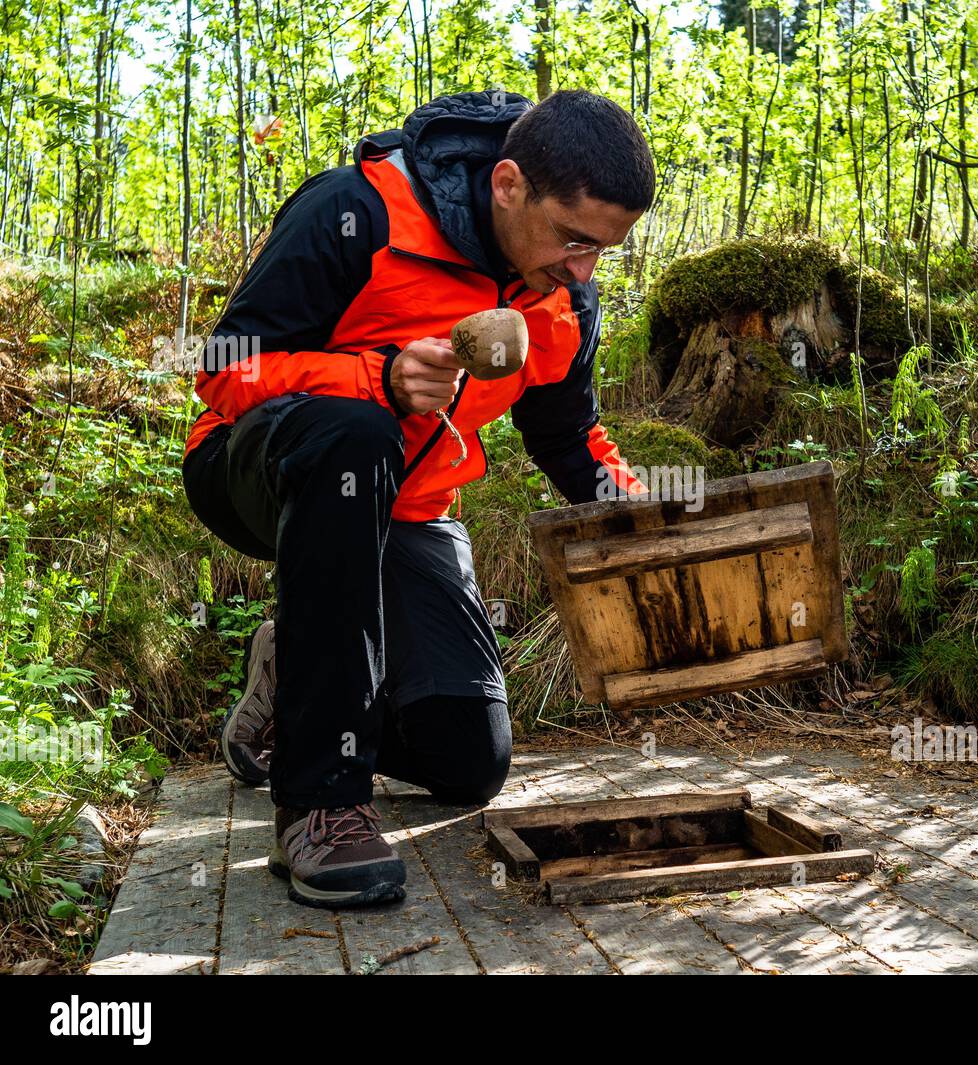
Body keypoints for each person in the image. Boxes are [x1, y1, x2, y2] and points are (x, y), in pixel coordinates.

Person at [181, 89, 655, 909]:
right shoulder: (357, 211)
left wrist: (657, 520)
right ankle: (321, 804)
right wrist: (380, 376)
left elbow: (570, 439)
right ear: (508, 183)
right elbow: (222, 366)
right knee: (358, 435)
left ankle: (290, 671)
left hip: (408, 508)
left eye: (603, 251)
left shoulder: (562, 294)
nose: (585, 270)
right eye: (574, 240)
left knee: (469, 764)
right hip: (259, 468)